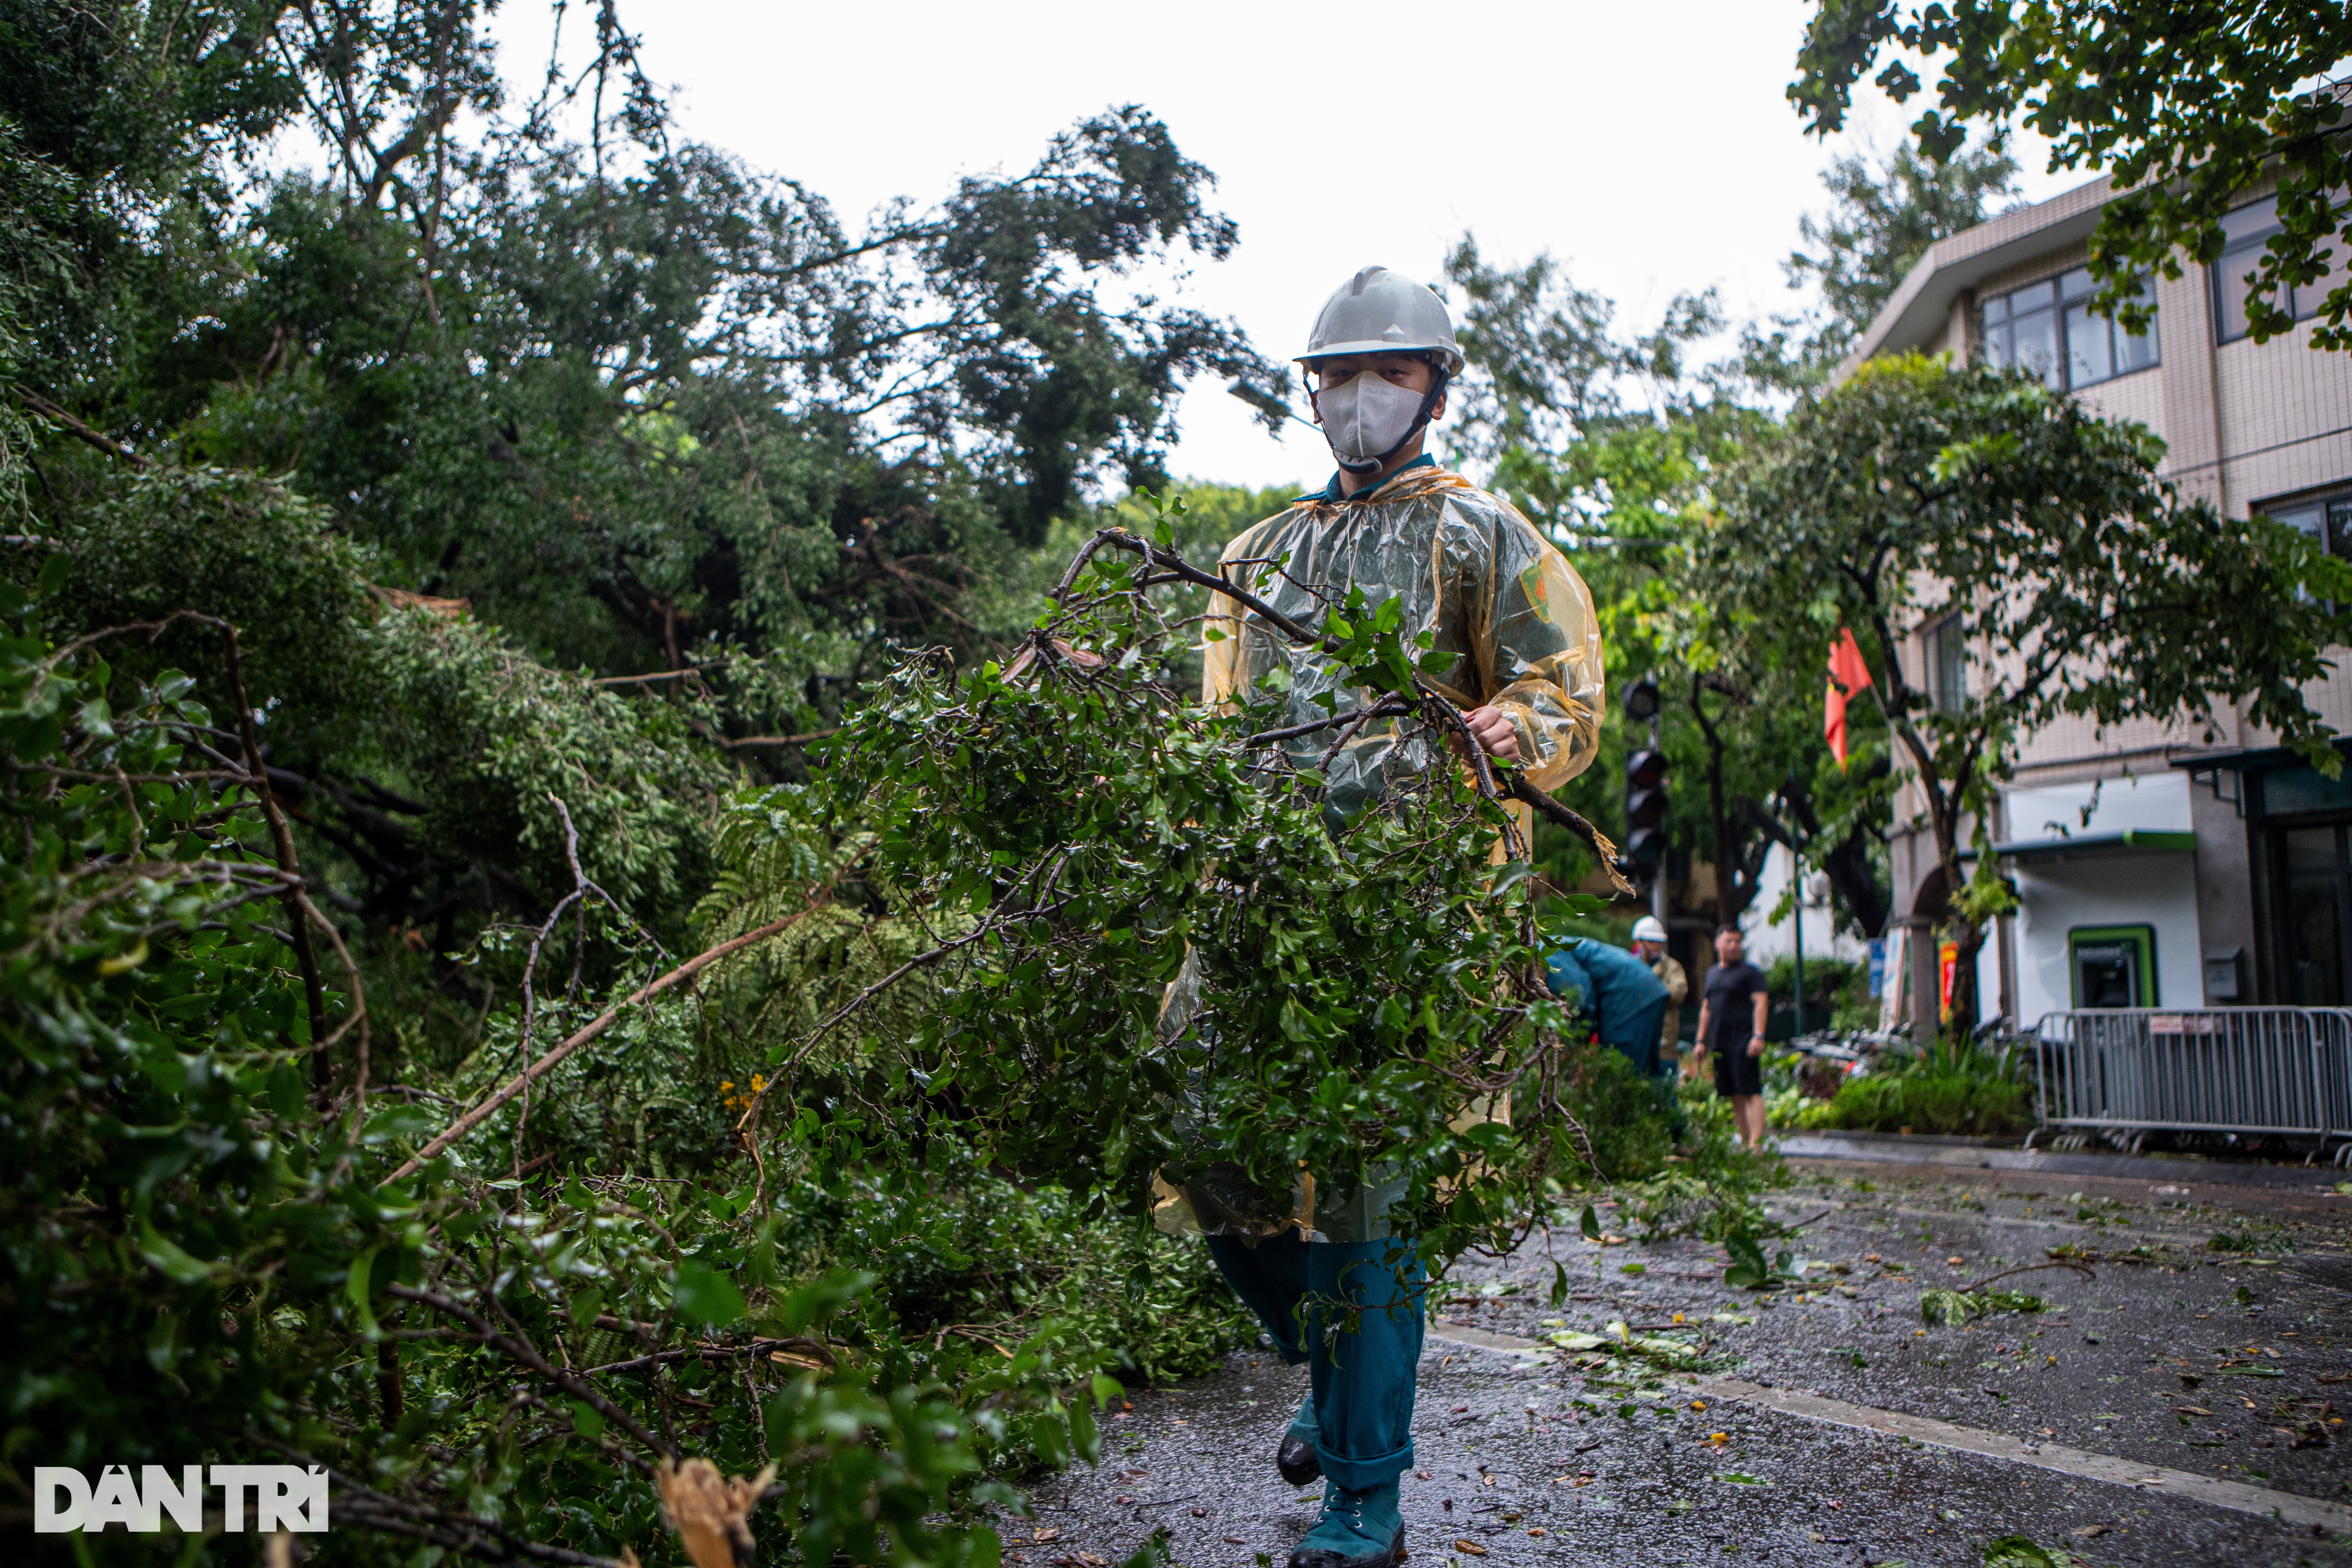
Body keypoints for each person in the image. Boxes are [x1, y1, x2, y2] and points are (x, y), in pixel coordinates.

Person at [1165, 265, 1603, 1568]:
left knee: (1367, 1198)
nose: (1359, 397)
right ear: (1311, 392)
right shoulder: (1255, 555)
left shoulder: (1484, 536)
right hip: (1260, 911)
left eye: (1389, 373)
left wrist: (1508, 721)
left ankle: (1365, 1496)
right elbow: (1220, 726)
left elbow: (1563, 683)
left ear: (1434, 389)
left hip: (1413, 928)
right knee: (1196, 1128)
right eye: (1340, 375)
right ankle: (1323, 1356)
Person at [1544, 935, 1669, 1078]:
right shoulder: (1548, 946)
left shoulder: (1545, 954)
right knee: (1646, 1072)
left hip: (1630, 994)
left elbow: (1579, 999)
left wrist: (1574, 1041)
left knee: (1621, 1070)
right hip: (1646, 987)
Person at [1690, 923, 1770, 1147]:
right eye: (1729, 941)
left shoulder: (1751, 973)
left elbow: (1761, 1003)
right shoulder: (1712, 974)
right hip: (1720, 1042)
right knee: (1734, 1094)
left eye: (1738, 942)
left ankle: (1757, 1144)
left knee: (1750, 1091)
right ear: (1718, 944)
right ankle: (1744, 1140)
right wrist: (1700, 1041)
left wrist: (1759, 1036)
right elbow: (1706, 1009)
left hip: (1744, 1042)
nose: (1734, 946)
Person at [1631, 915, 1688, 1075]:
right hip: (1636, 1043)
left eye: (1660, 942)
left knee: (1666, 1093)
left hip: (1664, 1046)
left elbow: (1679, 993)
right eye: (1651, 941)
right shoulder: (1630, 966)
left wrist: (1650, 988)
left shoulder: (1673, 968)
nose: (1657, 946)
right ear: (1639, 942)